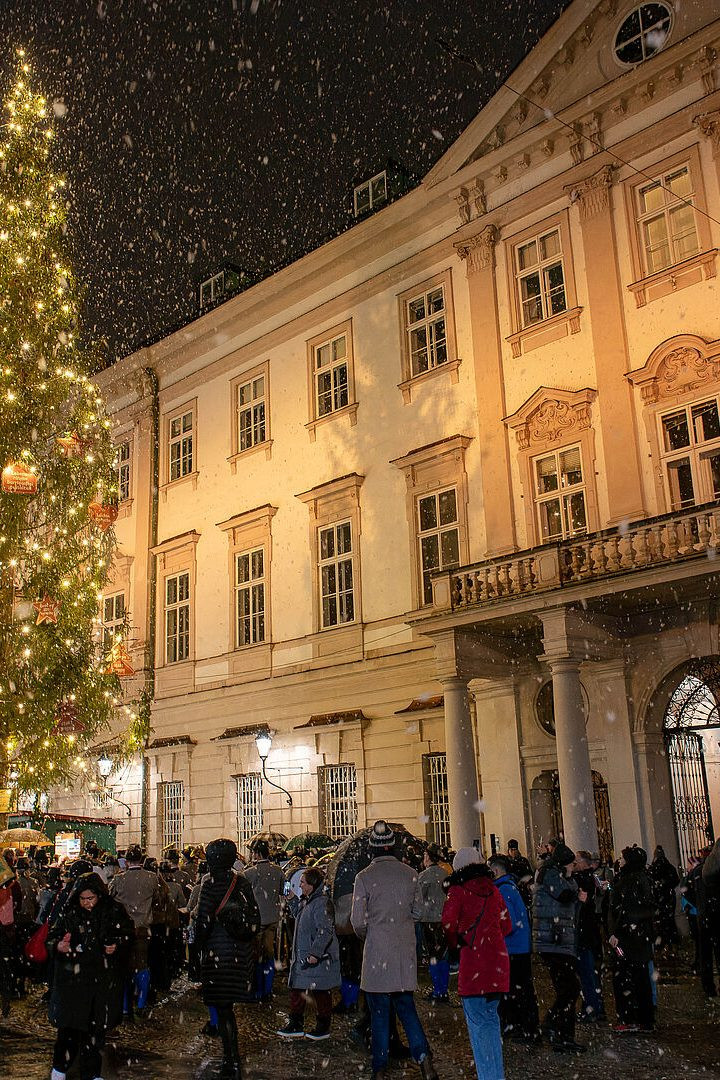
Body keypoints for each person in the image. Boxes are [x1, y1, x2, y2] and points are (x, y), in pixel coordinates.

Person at [351, 820, 437, 1080]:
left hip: (378, 953)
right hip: (403, 953)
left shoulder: (363, 877)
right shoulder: (410, 873)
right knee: (407, 1010)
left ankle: (379, 1067)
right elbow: (418, 911)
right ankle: (424, 1060)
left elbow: (357, 921)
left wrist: (373, 933)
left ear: (373, 849)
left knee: (379, 1014)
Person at [47, 871, 133, 1080]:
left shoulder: (113, 911)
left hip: (99, 982)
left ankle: (92, 1072)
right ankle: (60, 1069)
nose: (86, 903)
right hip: (73, 983)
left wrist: (116, 945)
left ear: (99, 896)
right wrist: (59, 945)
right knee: (68, 1031)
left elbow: (127, 934)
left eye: (90, 898)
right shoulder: (70, 913)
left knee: (94, 1034)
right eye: (83, 898)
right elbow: (52, 937)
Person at [195, 837, 261, 1080]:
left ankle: (231, 1059)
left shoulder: (209, 884)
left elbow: (202, 923)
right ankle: (232, 1057)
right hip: (238, 953)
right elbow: (255, 916)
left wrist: (198, 949)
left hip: (216, 954)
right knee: (228, 1008)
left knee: (223, 1010)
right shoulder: (241, 882)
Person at [443, 848, 511, 1078]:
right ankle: (496, 1074)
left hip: (473, 965)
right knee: (491, 1022)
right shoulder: (493, 890)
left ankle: (489, 1076)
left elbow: (448, 924)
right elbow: (507, 926)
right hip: (497, 965)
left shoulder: (458, 890)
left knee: (478, 1027)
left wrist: (458, 941)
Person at [532, 839, 585, 1053]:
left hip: (557, 941)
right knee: (569, 989)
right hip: (555, 941)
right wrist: (576, 895)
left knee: (568, 989)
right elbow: (563, 897)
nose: (574, 868)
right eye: (571, 864)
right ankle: (560, 1032)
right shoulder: (553, 877)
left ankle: (556, 1028)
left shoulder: (553, 876)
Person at [277, 866, 340, 1040]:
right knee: (299, 989)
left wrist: (316, 953)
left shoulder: (320, 903)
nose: (301, 886)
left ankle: (321, 1026)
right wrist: (292, 899)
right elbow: (300, 915)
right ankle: (297, 1023)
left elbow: (325, 930)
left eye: (303, 882)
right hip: (306, 956)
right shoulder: (310, 900)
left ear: (312, 884)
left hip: (315, 958)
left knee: (320, 991)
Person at [487, 853, 539, 1041]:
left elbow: (509, 921)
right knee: (521, 989)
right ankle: (525, 1026)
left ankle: (521, 1026)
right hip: (518, 946)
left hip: (512, 948)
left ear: (496, 870)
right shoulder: (510, 887)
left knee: (516, 990)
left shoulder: (503, 890)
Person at [608, 845, 657, 1033]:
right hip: (638, 937)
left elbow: (622, 910)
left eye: (622, 858)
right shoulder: (642, 878)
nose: (619, 861)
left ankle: (629, 1017)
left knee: (626, 978)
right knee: (641, 977)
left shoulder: (629, 881)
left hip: (627, 939)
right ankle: (644, 1018)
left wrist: (615, 933)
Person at [110, 845, 160, 1016]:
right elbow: (158, 898)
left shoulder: (118, 879)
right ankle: (141, 1002)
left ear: (126, 860)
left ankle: (125, 1005)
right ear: (141, 859)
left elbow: (110, 899)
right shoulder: (152, 878)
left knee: (123, 967)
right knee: (141, 965)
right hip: (142, 928)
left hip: (122, 930)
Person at [244, 839, 285, 1001]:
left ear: (256, 853)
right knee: (269, 955)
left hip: (257, 920)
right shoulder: (278, 871)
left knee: (255, 956)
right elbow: (284, 891)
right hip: (273, 919)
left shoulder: (250, 873)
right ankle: (268, 989)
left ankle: (257, 990)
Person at [573, 850, 605, 1021]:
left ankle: (591, 1008)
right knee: (591, 972)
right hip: (590, 931)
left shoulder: (583, 879)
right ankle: (596, 1006)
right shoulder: (592, 878)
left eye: (577, 860)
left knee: (587, 973)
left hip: (584, 933)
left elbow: (583, 905)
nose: (575, 863)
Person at [418, 843, 450, 1004]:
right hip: (443, 919)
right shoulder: (445, 873)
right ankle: (443, 989)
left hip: (429, 920)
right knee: (442, 955)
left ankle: (438, 990)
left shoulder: (424, 876)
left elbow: (418, 899)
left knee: (433, 956)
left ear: (428, 857)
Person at [648, 845, 680, 948]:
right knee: (668, 921)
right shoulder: (668, 867)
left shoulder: (656, 867)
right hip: (667, 897)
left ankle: (665, 943)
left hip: (662, 898)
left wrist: (662, 885)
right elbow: (675, 880)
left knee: (662, 922)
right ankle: (671, 942)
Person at [506, 840, 533, 908]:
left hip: (523, 891)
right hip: (511, 890)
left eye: (515, 850)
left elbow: (529, 875)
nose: (513, 852)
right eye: (511, 850)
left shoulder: (523, 861)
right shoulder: (506, 862)